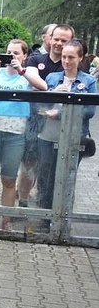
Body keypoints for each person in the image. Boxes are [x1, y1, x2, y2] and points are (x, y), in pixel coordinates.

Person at [0, 40, 47, 229]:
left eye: (16, 53)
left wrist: (22, 71)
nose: (12, 57)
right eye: (8, 52)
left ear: (25, 56)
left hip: (15, 133)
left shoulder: (28, 72)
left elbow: (43, 87)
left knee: (9, 179)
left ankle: (5, 219)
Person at [37, 39, 96, 217]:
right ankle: (45, 218)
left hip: (74, 136)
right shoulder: (52, 78)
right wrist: (54, 95)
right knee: (46, 178)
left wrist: (61, 112)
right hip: (49, 135)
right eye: (64, 57)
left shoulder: (89, 81)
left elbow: (89, 110)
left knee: (67, 178)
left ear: (80, 58)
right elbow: (41, 106)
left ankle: (64, 219)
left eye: (71, 57)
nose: (66, 61)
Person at [19, 24, 74, 207]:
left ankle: (48, 208)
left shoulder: (71, 61)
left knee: (52, 169)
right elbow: (32, 78)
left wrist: (43, 89)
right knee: (28, 164)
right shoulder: (36, 59)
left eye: (64, 41)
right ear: (49, 38)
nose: (58, 43)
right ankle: (23, 203)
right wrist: (52, 90)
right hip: (34, 120)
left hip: (61, 124)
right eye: (56, 38)